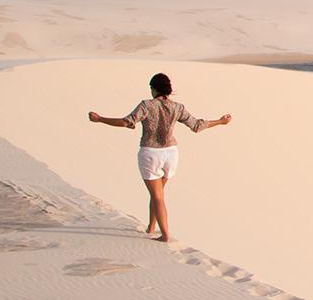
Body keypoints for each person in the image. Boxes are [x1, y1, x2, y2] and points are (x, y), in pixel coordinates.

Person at [88, 73, 232, 242]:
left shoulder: (147, 105)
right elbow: (197, 126)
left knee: (157, 196)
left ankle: (164, 235)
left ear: (154, 89)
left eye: (151, 88)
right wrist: (220, 121)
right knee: (158, 194)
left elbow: (127, 122)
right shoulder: (177, 107)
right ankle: (151, 227)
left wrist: (99, 119)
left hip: (151, 153)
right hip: (171, 154)